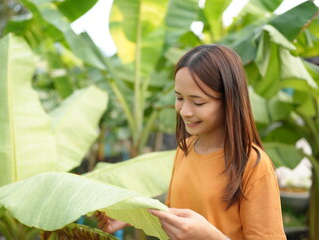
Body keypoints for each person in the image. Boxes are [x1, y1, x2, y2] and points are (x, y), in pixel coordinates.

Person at [95, 44, 287, 240]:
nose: (185, 111)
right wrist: (130, 215)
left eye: (198, 102)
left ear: (229, 101)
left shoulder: (253, 165)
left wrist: (209, 236)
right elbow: (176, 214)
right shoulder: (184, 149)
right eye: (179, 98)